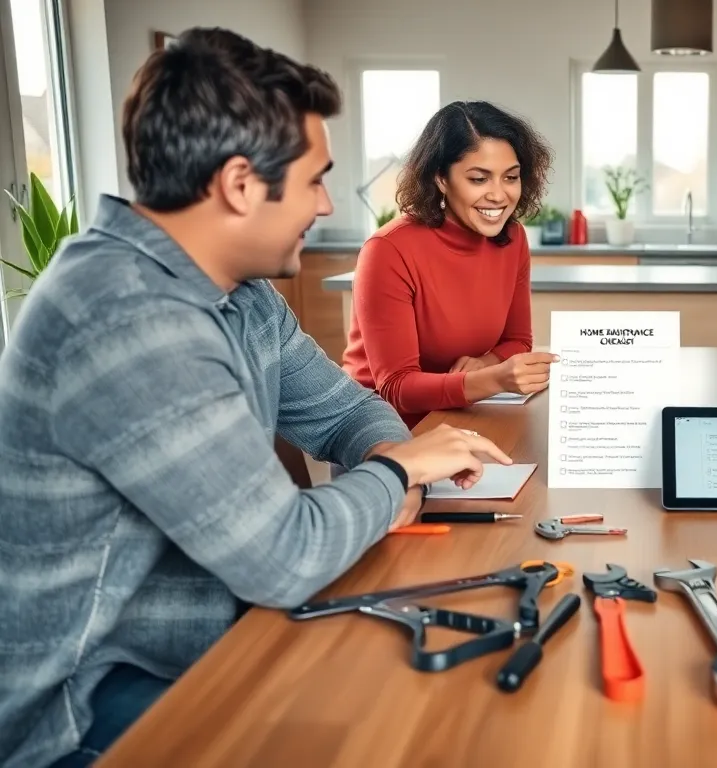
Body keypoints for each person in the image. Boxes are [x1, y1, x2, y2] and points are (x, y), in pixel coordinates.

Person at [0, 29, 512, 768]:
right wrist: (399, 474)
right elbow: (284, 555)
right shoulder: (126, 319)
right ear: (241, 184)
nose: (328, 203)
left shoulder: (241, 296)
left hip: (201, 641)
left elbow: (341, 409)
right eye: (314, 180)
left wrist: (383, 450)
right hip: (80, 710)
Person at [341, 101, 559, 429]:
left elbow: (517, 341)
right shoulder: (388, 250)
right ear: (441, 178)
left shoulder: (513, 238)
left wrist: (484, 363)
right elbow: (396, 386)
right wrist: (493, 378)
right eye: (479, 179)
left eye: (510, 177)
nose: (499, 195)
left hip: (459, 413)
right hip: (379, 428)